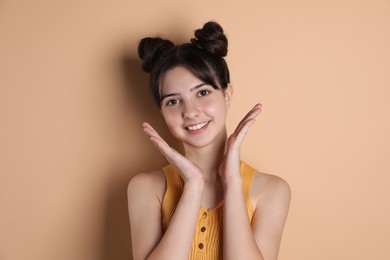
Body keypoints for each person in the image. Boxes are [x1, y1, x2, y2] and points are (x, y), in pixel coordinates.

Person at [127, 21, 291, 260]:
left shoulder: (271, 191)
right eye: (173, 101)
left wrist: (232, 181)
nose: (190, 111)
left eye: (202, 93)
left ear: (226, 94)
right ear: (162, 112)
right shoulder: (145, 188)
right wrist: (193, 184)